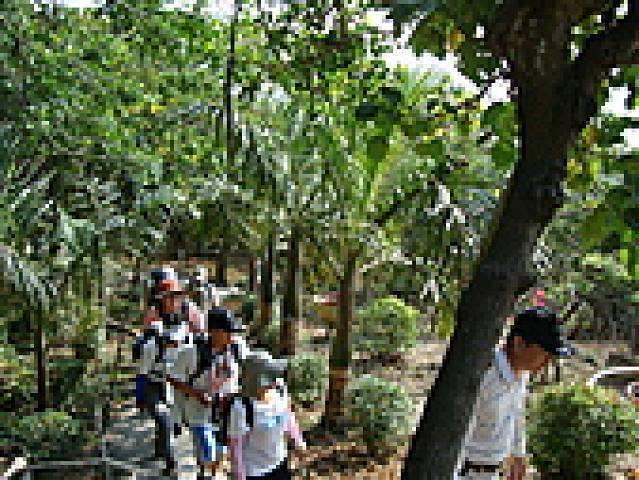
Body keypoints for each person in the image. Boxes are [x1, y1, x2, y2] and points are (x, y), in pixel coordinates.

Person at [455, 307, 570, 480]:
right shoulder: (484, 375)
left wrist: (518, 454)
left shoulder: (522, 375)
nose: (546, 362)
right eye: (544, 353)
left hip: (493, 472)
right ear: (519, 344)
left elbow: (517, 413)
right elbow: (457, 433)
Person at [167, 307, 246, 480]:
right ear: (214, 332)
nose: (232, 336)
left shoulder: (236, 349)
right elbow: (172, 378)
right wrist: (197, 394)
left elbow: (245, 374)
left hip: (227, 413)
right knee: (207, 451)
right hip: (199, 413)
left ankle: (207, 473)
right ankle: (206, 472)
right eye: (228, 332)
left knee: (219, 452)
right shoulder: (192, 352)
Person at [228, 352, 306, 480]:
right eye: (269, 376)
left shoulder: (280, 391)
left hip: (280, 465)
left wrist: (298, 441)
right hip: (256, 471)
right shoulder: (242, 407)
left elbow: (288, 417)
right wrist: (240, 475)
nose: (275, 379)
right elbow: (236, 447)